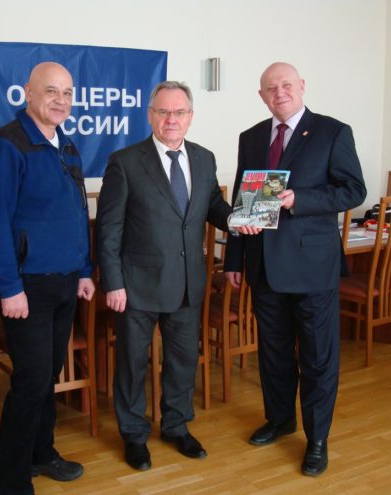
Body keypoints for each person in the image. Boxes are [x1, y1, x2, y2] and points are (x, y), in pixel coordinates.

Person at [96, 81, 249, 471]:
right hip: (136, 286)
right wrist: (113, 282)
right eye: (163, 112)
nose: (171, 119)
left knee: (182, 361)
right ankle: (134, 435)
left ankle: (176, 426)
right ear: (150, 115)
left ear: (190, 117)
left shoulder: (204, 158)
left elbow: (213, 206)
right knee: (132, 364)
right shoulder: (125, 162)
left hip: (187, 283)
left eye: (179, 112)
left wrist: (238, 220)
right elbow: (109, 229)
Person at [224, 62, 367, 477]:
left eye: (286, 85)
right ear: (262, 96)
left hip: (312, 268)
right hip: (263, 267)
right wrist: (234, 259)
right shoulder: (251, 137)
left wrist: (298, 199)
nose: (279, 92)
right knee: (273, 352)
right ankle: (280, 419)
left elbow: (353, 190)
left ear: (301, 86)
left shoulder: (332, 132)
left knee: (318, 357)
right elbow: (241, 201)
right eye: (271, 88)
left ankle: (317, 438)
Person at [0, 62, 94, 495]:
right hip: (27, 287)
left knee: (48, 377)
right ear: (28, 92)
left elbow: (77, 213)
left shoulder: (67, 145)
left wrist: (84, 270)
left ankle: (43, 452)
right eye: (51, 91)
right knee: (30, 383)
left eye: (67, 92)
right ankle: (11, 480)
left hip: (65, 281)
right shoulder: (4, 146)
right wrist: (8, 288)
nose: (61, 100)